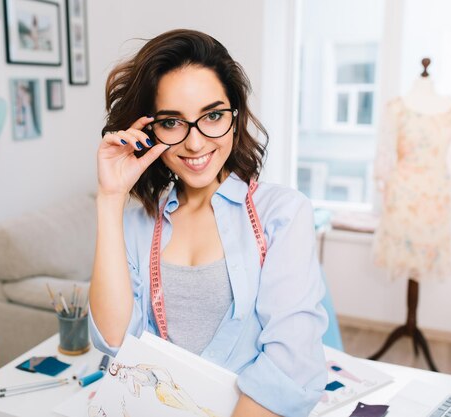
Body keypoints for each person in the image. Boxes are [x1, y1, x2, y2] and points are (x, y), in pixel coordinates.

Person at [89, 29, 328, 417]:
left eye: (212, 116)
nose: (195, 144)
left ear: (235, 117)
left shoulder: (281, 213)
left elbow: (292, 364)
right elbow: (116, 342)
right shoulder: (135, 224)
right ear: (149, 131)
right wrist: (110, 198)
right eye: (172, 122)